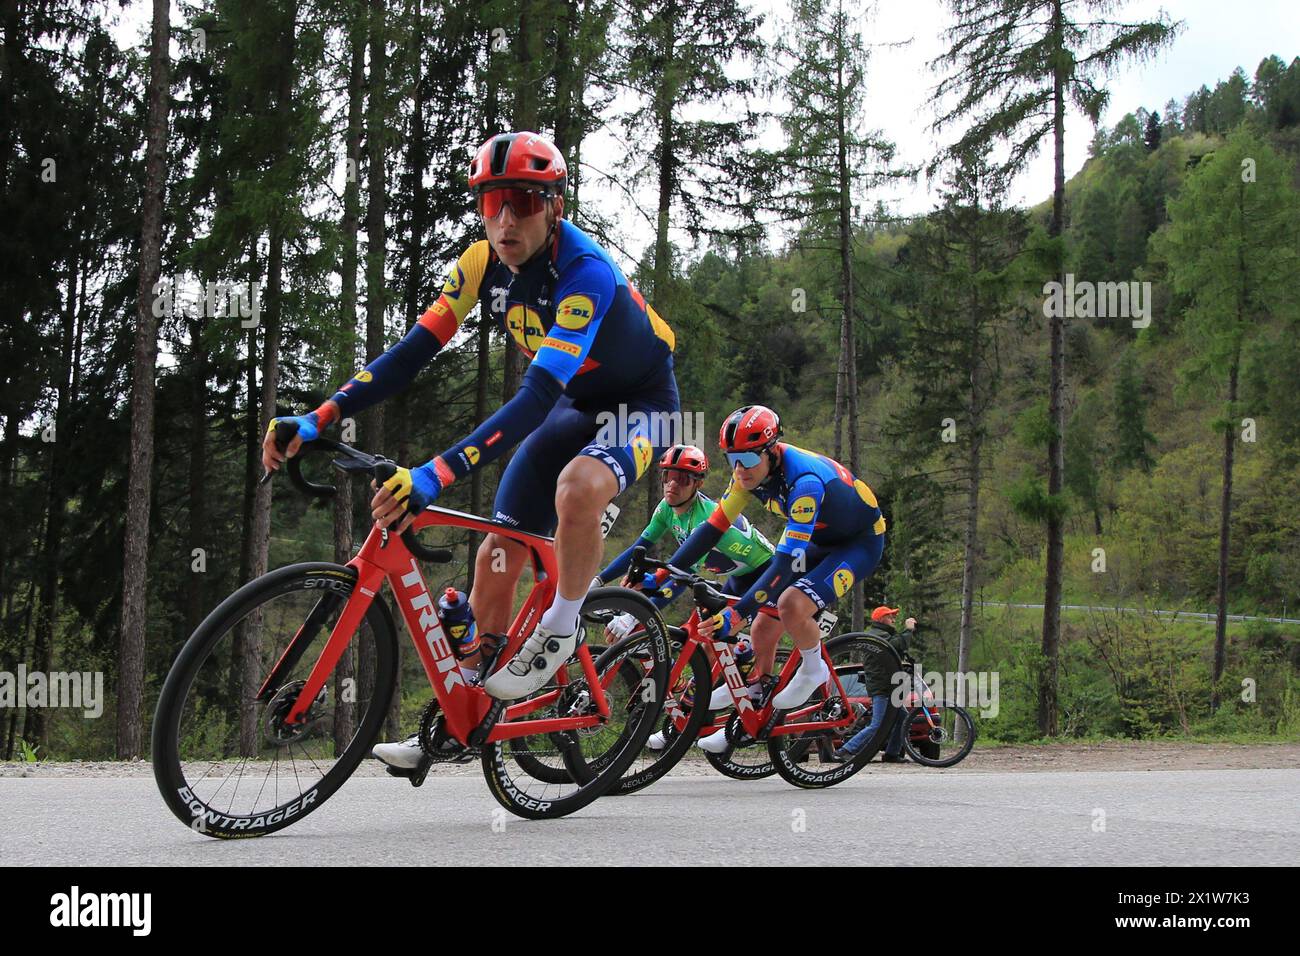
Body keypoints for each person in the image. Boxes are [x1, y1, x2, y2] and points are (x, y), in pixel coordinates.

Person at [261, 131, 679, 770]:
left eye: (523, 202)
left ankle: (563, 626)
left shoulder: (585, 274)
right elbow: (409, 355)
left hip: (638, 403)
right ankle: (466, 710)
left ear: (554, 207)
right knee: (498, 550)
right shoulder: (480, 264)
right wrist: (321, 417)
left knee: (577, 489)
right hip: (573, 402)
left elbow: (535, 398)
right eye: (491, 202)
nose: (506, 219)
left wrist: (436, 473)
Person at [657, 405, 887, 753]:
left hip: (859, 543)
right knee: (763, 627)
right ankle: (756, 696)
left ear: (771, 451)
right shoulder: (747, 474)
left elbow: (782, 564)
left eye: (747, 461)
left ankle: (814, 669)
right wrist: (664, 573)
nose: (739, 470)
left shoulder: (804, 483)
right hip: (821, 541)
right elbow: (710, 531)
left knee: (790, 603)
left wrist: (738, 613)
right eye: (731, 459)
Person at [593, 444, 782, 747]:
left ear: (698, 484)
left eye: (682, 479)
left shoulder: (704, 518)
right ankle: (691, 721)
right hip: (735, 576)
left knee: (720, 637)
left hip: (765, 573)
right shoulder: (666, 509)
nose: (672, 484)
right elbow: (637, 549)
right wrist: (599, 580)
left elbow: (678, 577)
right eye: (668, 476)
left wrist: (632, 615)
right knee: (702, 644)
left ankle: (747, 690)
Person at [832, 606, 917, 762]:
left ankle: (892, 753)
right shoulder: (876, 635)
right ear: (881, 619)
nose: (894, 618)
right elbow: (897, 645)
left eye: (893, 616)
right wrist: (908, 630)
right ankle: (845, 750)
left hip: (888, 687)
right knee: (878, 724)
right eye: (890, 616)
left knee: (902, 717)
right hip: (882, 688)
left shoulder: (884, 634)